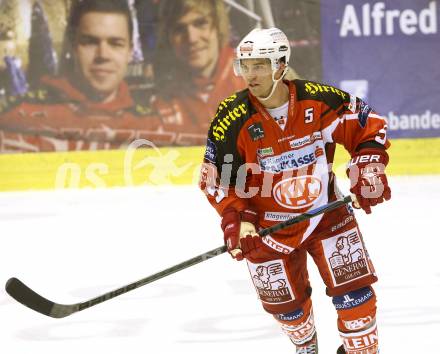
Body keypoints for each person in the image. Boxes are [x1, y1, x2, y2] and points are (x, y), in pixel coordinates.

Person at [199, 27, 391, 354]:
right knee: (291, 317)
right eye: (245, 65)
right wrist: (236, 219)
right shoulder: (231, 116)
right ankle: (306, 346)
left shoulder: (319, 99)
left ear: (280, 64)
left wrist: (368, 168)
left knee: (357, 302)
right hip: (266, 230)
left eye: (259, 64)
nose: (250, 74)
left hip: (326, 216)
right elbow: (218, 177)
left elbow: (366, 127)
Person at [0, 0, 163, 152]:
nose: (103, 55)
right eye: (90, 42)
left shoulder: (152, 124)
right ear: (72, 47)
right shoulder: (18, 114)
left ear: (130, 52)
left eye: (115, 44)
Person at [151, 0, 246, 146]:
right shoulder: (160, 104)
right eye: (179, 29)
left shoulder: (264, 79)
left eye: (200, 23)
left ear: (218, 25)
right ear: (169, 39)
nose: (191, 38)